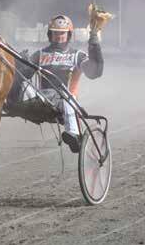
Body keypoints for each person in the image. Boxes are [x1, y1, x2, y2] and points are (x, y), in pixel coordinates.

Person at [15, 13, 105, 153]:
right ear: (49, 35)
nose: (58, 37)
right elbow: (22, 76)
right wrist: (20, 63)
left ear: (68, 35)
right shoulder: (39, 54)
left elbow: (95, 71)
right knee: (20, 87)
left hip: (65, 98)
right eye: (55, 33)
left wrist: (94, 42)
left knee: (66, 99)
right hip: (42, 99)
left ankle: (73, 135)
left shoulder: (77, 55)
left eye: (62, 33)